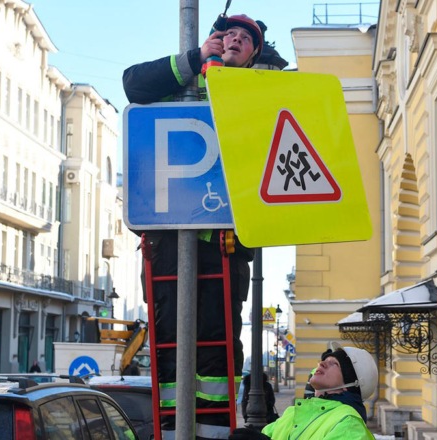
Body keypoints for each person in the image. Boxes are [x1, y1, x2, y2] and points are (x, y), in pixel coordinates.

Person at [122, 14, 263, 440]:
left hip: (224, 245)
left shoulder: (256, 90)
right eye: (229, 34)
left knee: (218, 345)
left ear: (253, 54)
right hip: (169, 241)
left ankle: (213, 432)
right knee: (170, 340)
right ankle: (172, 428)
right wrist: (195, 58)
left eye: (245, 38)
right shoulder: (183, 80)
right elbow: (133, 85)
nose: (235, 40)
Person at [229, 342, 377, 440]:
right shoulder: (293, 412)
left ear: (349, 385)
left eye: (335, 364)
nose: (322, 363)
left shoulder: (349, 424)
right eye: (324, 360)